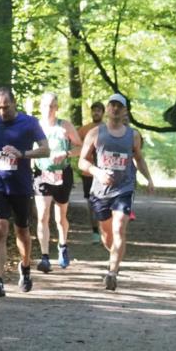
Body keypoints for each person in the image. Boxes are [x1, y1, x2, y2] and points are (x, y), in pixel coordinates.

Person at [78, 93, 154, 291]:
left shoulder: (133, 135)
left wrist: (149, 178)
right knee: (107, 237)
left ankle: (112, 273)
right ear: (107, 109)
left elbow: (139, 159)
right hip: (101, 191)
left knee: (119, 227)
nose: (115, 108)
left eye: (119, 106)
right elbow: (82, 161)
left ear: (125, 110)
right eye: (112, 105)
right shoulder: (95, 133)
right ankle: (113, 257)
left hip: (124, 188)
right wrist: (97, 172)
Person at [0, 86, 50, 297]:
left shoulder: (29, 123)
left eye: (6, 108)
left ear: (14, 103)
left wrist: (23, 154)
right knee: (0, 228)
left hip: (21, 185)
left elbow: (45, 149)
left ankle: (25, 267)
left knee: (22, 231)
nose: (2, 112)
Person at [32, 93, 82, 272]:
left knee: (60, 217)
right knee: (42, 215)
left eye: (52, 106)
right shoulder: (34, 126)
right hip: (41, 174)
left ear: (57, 108)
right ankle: (45, 257)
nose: (48, 110)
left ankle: (62, 246)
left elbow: (80, 146)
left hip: (62, 173)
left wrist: (66, 154)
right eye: (45, 106)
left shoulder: (65, 126)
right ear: (40, 107)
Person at [78, 101, 105, 244]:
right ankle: (95, 232)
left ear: (103, 113)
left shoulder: (108, 129)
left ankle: (105, 230)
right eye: (94, 110)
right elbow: (75, 144)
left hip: (105, 173)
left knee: (104, 202)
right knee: (91, 204)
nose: (96, 113)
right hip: (88, 173)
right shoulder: (84, 130)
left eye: (99, 111)